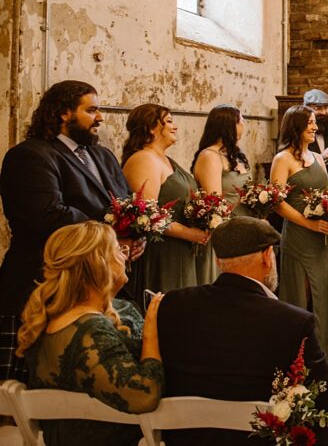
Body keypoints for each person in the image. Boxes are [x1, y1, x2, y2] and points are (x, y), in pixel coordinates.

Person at [157, 217, 328, 446]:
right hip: (258, 439)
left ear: (217, 260)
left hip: (186, 436)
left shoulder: (172, 303)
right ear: (267, 257)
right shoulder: (292, 321)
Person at [0, 80, 136, 381]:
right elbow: (48, 214)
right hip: (46, 279)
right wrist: (111, 236)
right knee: (25, 388)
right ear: (63, 113)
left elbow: (124, 203)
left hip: (98, 282)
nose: (100, 117)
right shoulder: (30, 156)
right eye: (91, 110)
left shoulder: (103, 156)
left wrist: (135, 234)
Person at [16, 222, 163, 446]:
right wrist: (152, 331)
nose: (125, 256)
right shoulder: (90, 329)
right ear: (98, 264)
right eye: (118, 249)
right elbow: (144, 396)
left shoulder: (55, 320)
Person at [270, 105, 328, 372]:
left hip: (325, 239)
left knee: (326, 298)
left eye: (314, 123)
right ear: (296, 126)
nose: (314, 127)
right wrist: (309, 224)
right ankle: (298, 366)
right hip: (300, 235)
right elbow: (277, 203)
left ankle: (327, 364)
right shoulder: (283, 159)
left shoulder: (319, 158)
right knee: (301, 297)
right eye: (309, 123)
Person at [123, 104, 214, 292]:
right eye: (169, 121)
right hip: (161, 251)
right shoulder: (144, 159)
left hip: (181, 249)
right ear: (151, 127)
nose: (176, 127)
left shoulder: (165, 159)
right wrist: (190, 234)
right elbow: (148, 214)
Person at [191, 104, 251, 217]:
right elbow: (214, 204)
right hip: (230, 226)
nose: (244, 125)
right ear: (230, 124)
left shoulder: (233, 154)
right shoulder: (210, 156)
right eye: (242, 120)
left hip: (247, 221)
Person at [304, 89, 328, 179]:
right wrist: (320, 157)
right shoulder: (297, 134)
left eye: (326, 108)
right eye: (319, 108)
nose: (324, 112)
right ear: (306, 110)